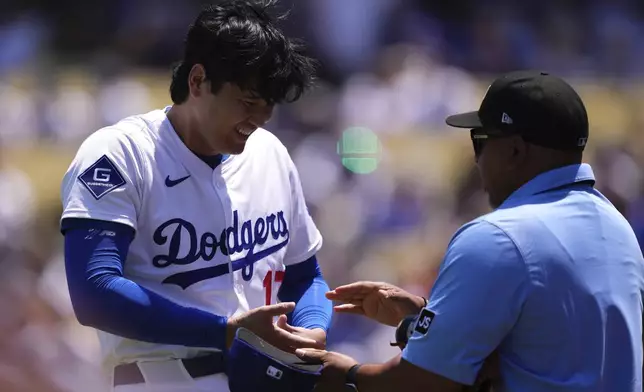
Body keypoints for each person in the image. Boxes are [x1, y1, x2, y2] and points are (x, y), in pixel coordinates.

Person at [295, 70, 644, 392]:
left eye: (481, 141)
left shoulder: (497, 236)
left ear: (515, 150)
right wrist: (422, 317)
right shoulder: (618, 228)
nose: (476, 160)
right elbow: (548, 349)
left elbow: (418, 385)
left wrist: (344, 373)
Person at [59, 1, 332, 391]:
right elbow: (94, 289)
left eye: (269, 105)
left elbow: (305, 276)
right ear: (198, 81)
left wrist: (312, 328)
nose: (262, 117)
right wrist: (222, 331)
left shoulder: (269, 152)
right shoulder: (120, 153)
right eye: (249, 101)